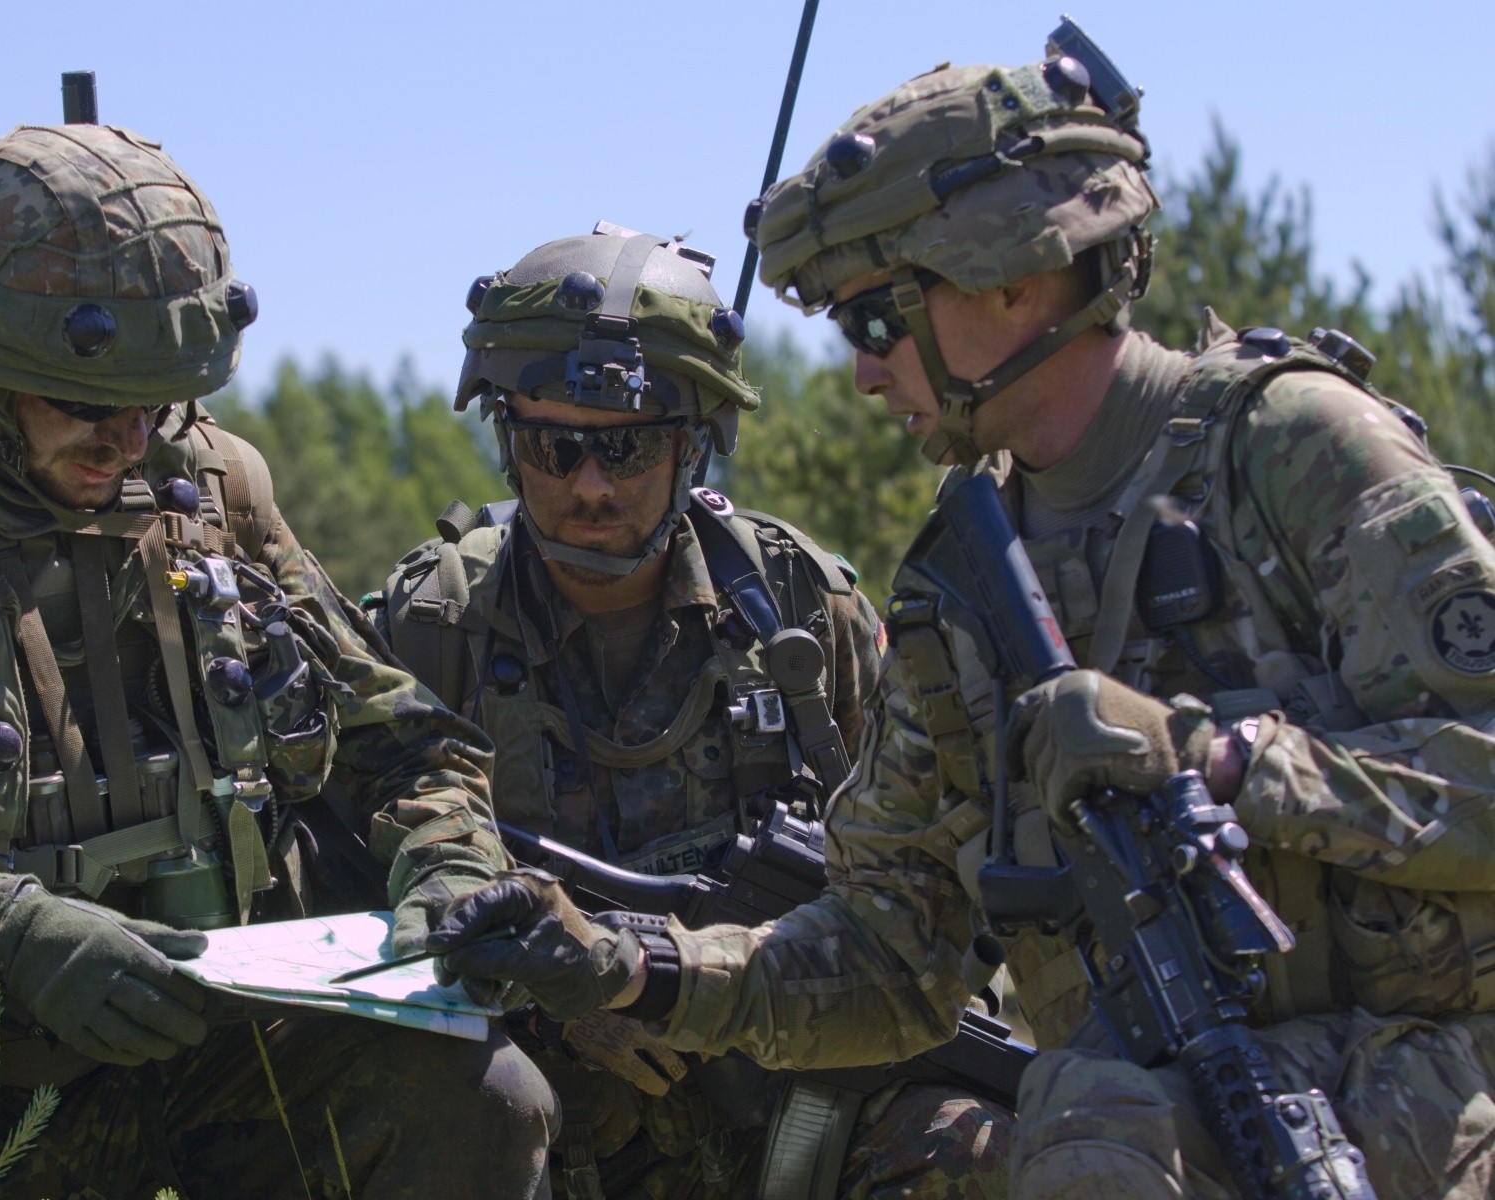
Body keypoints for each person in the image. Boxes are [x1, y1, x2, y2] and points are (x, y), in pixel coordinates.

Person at [425, 43, 1495, 1200]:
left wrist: (1218, 762)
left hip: (1431, 1086)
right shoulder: (958, 583)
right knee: (1087, 1131)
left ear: (1009, 278)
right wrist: (635, 967)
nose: (864, 377)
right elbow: (889, 951)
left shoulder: (1292, 452)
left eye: (874, 321)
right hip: (1150, 1118)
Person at [0, 120, 553, 1198]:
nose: (128, 442)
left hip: (201, 1051)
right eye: (86, 405)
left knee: (481, 1100)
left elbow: (407, 748)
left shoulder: (214, 486)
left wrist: (452, 867)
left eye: (158, 402)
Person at [375, 223, 1009, 1198]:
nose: (591, 485)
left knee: (985, 1149)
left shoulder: (803, 605)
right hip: (539, 1125)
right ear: (506, 441)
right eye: (554, 447)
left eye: (627, 449)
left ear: (694, 445)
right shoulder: (434, 626)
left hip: (796, 1107)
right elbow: (354, 920)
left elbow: (932, 878)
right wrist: (558, 1006)